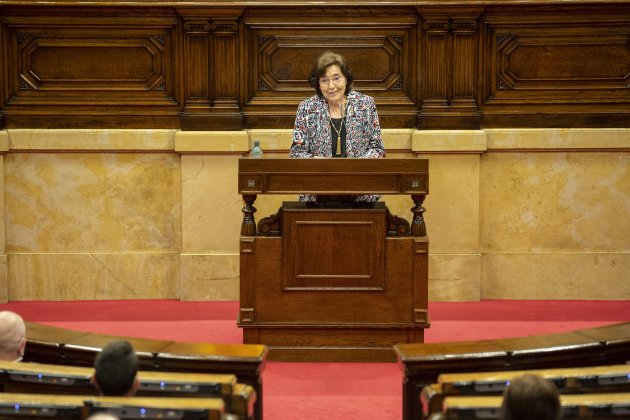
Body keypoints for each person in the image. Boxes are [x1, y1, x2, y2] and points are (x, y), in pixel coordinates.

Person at [290, 50, 386, 203]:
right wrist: (316, 161)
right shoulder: (307, 108)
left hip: (361, 192)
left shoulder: (365, 104)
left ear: (346, 79)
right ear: (317, 83)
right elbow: (296, 153)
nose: (331, 86)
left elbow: (377, 149)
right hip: (318, 193)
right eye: (324, 80)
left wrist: (355, 167)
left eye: (336, 78)